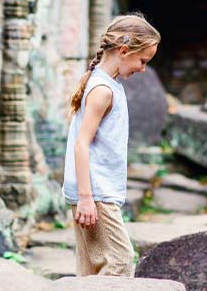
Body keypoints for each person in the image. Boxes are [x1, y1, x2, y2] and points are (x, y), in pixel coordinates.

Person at [62, 14, 161, 276]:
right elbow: (81, 144)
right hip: (96, 193)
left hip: (95, 191)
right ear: (124, 50)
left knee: (91, 266)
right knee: (120, 260)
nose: (143, 68)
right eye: (143, 61)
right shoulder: (102, 90)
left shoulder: (106, 83)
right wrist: (86, 198)